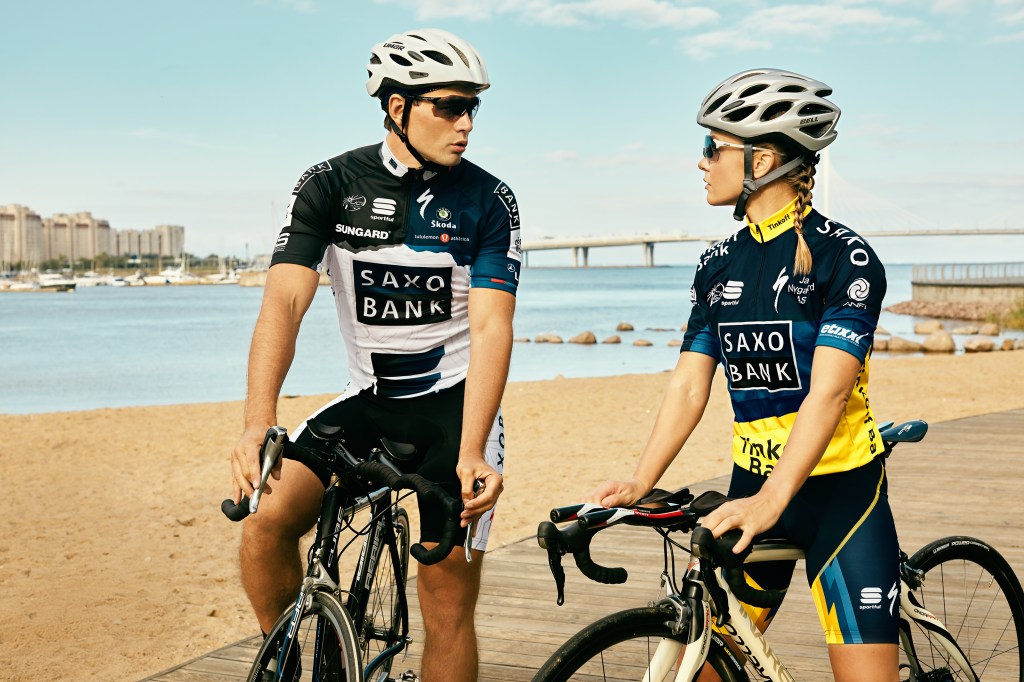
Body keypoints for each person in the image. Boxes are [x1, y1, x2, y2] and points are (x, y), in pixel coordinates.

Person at [228, 28, 522, 682]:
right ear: (397, 108)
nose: (467, 123)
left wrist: (474, 448)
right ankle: (294, 664)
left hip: (456, 410)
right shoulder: (330, 184)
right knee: (264, 521)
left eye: (473, 106)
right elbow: (283, 304)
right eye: (450, 106)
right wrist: (257, 421)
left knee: (446, 599)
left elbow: (492, 327)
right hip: (369, 400)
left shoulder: (489, 200)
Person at [587, 69, 897, 681]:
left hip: (839, 495)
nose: (701, 162)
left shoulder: (846, 257)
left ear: (763, 160)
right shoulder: (717, 263)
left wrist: (771, 502)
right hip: (750, 484)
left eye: (713, 147)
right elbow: (689, 384)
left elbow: (831, 392)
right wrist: (641, 480)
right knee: (700, 667)